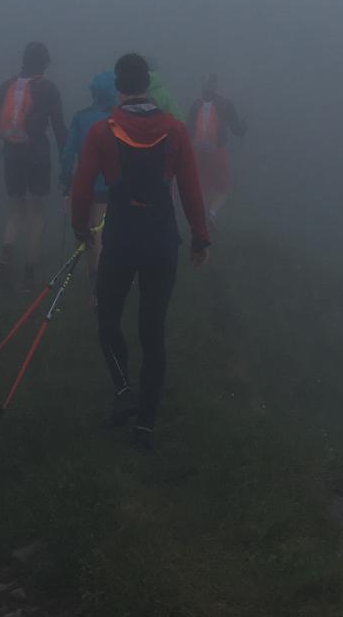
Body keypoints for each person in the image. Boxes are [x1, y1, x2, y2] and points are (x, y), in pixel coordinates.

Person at [70, 52, 210, 451]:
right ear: (147, 84)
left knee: (108, 320)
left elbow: (81, 190)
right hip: (161, 239)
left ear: (119, 86)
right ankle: (146, 426)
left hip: (121, 239)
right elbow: (191, 191)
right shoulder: (175, 131)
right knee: (153, 332)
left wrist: (82, 231)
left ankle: (123, 390)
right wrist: (200, 238)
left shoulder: (103, 130)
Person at [0, 41, 67, 289]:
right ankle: (31, 267)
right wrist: (67, 159)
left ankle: (6, 253)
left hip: (12, 152)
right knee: (38, 211)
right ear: (44, 64)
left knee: (16, 209)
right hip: (38, 153)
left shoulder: (7, 85)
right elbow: (59, 128)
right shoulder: (49, 88)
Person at [59, 70, 116, 297]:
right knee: (101, 232)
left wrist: (66, 180)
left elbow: (68, 153)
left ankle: (91, 279)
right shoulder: (116, 119)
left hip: (82, 183)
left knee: (83, 231)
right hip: (107, 185)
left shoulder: (80, 117)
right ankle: (100, 284)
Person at [185, 74, 247, 227]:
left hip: (198, 152)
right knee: (223, 188)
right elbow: (237, 130)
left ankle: (199, 218)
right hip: (217, 152)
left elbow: (188, 130)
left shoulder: (195, 104)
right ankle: (212, 214)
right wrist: (244, 127)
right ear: (216, 86)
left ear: (202, 86)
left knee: (203, 185)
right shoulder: (225, 104)